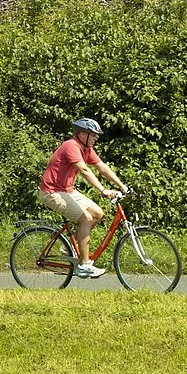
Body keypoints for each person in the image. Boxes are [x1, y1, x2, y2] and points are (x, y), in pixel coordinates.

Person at [38, 118, 126, 278]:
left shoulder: (86, 149)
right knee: (86, 218)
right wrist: (103, 190)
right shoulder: (71, 146)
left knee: (98, 214)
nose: (96, 138)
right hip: (51, 192)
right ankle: (83, 266)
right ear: (82, 134)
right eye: (93, 135)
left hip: (67, 190)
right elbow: (84, 170)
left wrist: (122, 186)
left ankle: (70, 247)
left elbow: (102, 167)